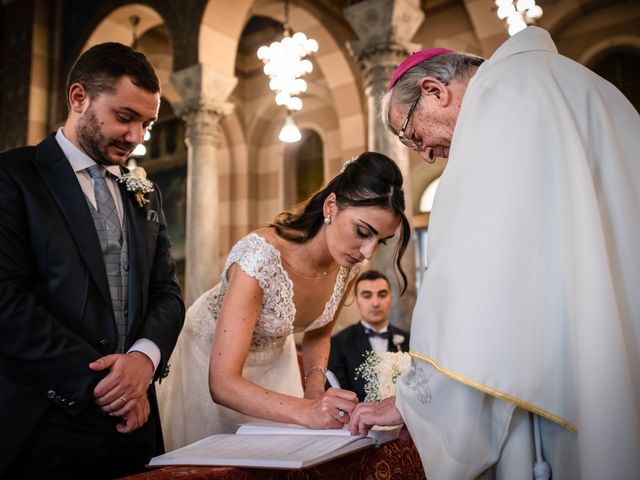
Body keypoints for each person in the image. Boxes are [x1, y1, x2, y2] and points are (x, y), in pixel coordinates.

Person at [349, 26, 640, 480]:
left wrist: (413, 401)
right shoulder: (588, 87)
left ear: (434, 91)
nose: (424, 155)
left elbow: (479, 284)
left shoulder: (498, 105)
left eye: (409, 133)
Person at [0, 42, 185, 479]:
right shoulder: (14, 177)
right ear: (78, 98)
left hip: (133, 426)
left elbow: (167, 295)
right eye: (125, 118)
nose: (137, 137)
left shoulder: (145, 192)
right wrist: (105, 385)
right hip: (43, 423)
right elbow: (6, 299)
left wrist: (143, 360)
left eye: (146, 123)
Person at [157, 151, 411, 450]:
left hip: (277, 364)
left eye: (379, 241)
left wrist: (314, 393)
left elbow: (320, 330)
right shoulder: (259, 258)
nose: (368, 253)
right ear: (332, 206)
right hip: (210, 362)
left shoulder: (349, 264)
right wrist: (306, 410)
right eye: (362, 232)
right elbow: (222, 383)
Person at [328, 269, 410, 401]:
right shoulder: (338, 343)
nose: (375, 303)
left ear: (391, 298)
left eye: (382, 295)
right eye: (367, 295)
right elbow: (337, 393)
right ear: (356, 300)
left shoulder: (409, 340)